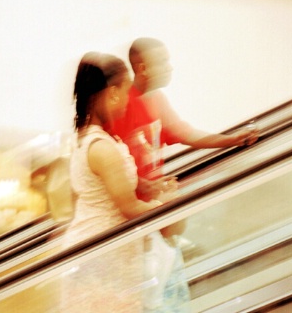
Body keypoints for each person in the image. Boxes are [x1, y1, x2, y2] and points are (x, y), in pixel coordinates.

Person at [103, 37, 259, 312]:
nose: (169, 67)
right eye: (162, 62)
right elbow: (111, 165)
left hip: (158, 216)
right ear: (142, 68)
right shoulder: (123, 105)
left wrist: (231, 140)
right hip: (133, 223)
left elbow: (185, 132)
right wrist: (144, 185)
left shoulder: (156, 100)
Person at [60, 52, 164, 312]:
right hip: (99, 261)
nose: (128, 101)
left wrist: (143, 185)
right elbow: (128, 208)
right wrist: (171, 207)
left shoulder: (95, 139)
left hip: (102, 255)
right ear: (112, 93)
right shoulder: (101, 147)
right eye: (126, 91)